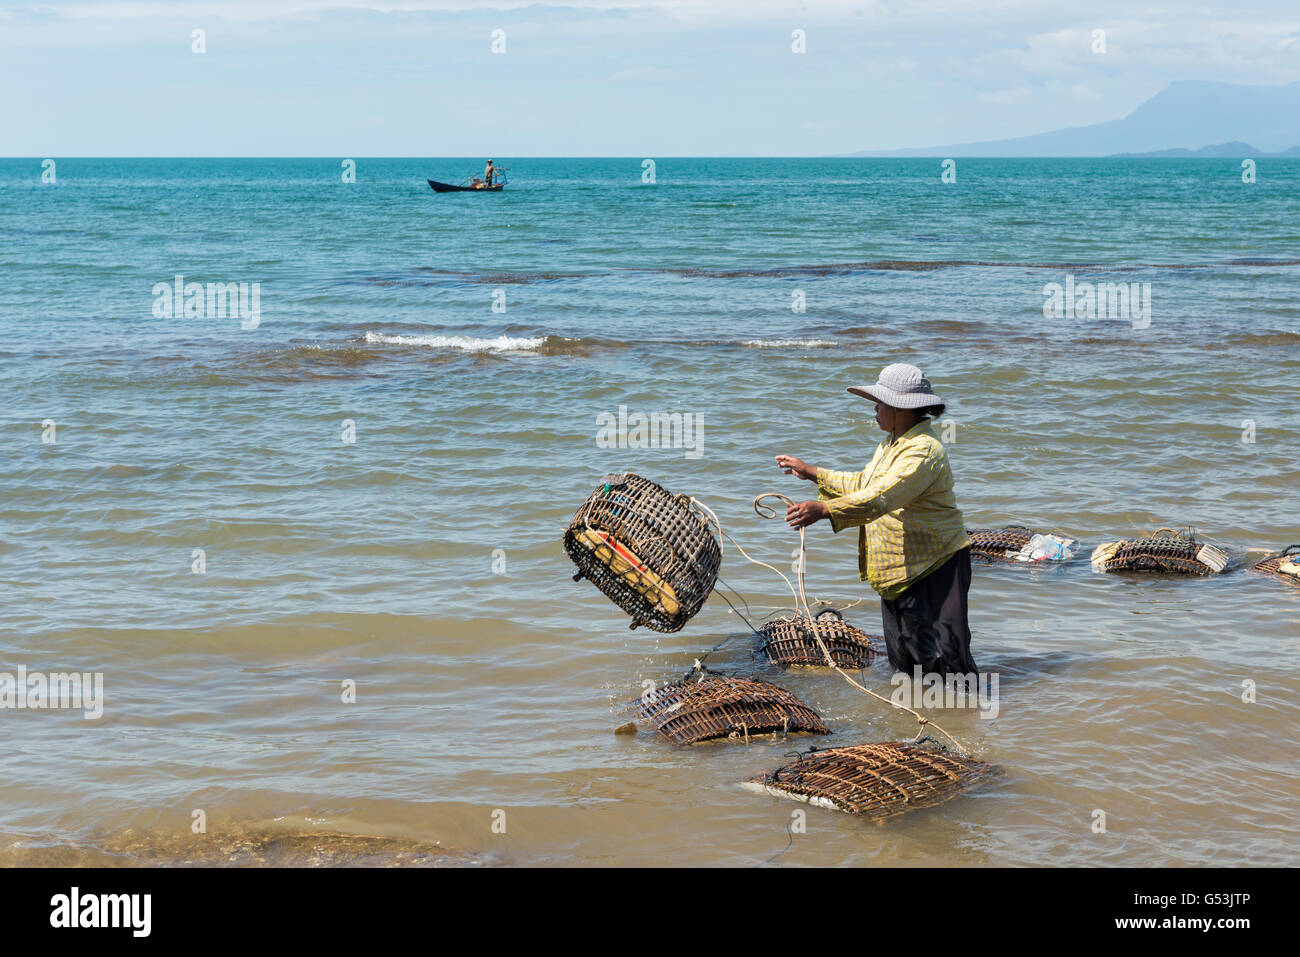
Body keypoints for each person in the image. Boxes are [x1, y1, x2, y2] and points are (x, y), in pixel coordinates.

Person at [775, 362, 977, 678]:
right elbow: (865, 484)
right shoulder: (892, 444)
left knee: (947, 663)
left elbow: (881, 498)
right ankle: (916, 720)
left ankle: (964, 721)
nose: (875, 409)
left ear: (900, 408)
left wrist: (825, 510)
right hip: (898, 571)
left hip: (935, 568)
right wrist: (813, 473)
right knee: (904, 662)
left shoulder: (922, 451)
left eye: (879, 403)